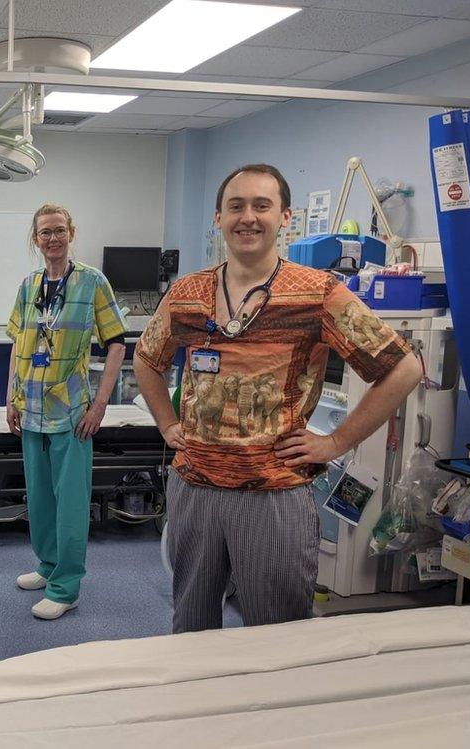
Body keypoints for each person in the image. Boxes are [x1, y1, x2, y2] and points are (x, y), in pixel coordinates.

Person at [133, 163, 421, 633]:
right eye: (236, 206)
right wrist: (167, 423)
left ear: (285, 217)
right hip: (195, 486)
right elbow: (147, 359)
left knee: (277, 631)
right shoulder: (186, 294)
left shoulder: (317, 293)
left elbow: (404, 368)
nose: (248, 217)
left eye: (262, 206)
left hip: (274, 493)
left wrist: (336, 443)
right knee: (190, 627)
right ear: (218, 218)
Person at [7, 203, 127, 620]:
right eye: (45, 232)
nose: (52, 238)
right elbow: (18, 343)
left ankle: (66, 586)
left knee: (70, 501)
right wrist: (11, 397)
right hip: (32, 407)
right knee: (39, 499)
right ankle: (47, 566)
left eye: (59, 230)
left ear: (71, 233)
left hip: (71, 411)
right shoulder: (29, 285)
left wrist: (100, 404)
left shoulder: (93, 282)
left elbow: (116, 343)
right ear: (35, 239)